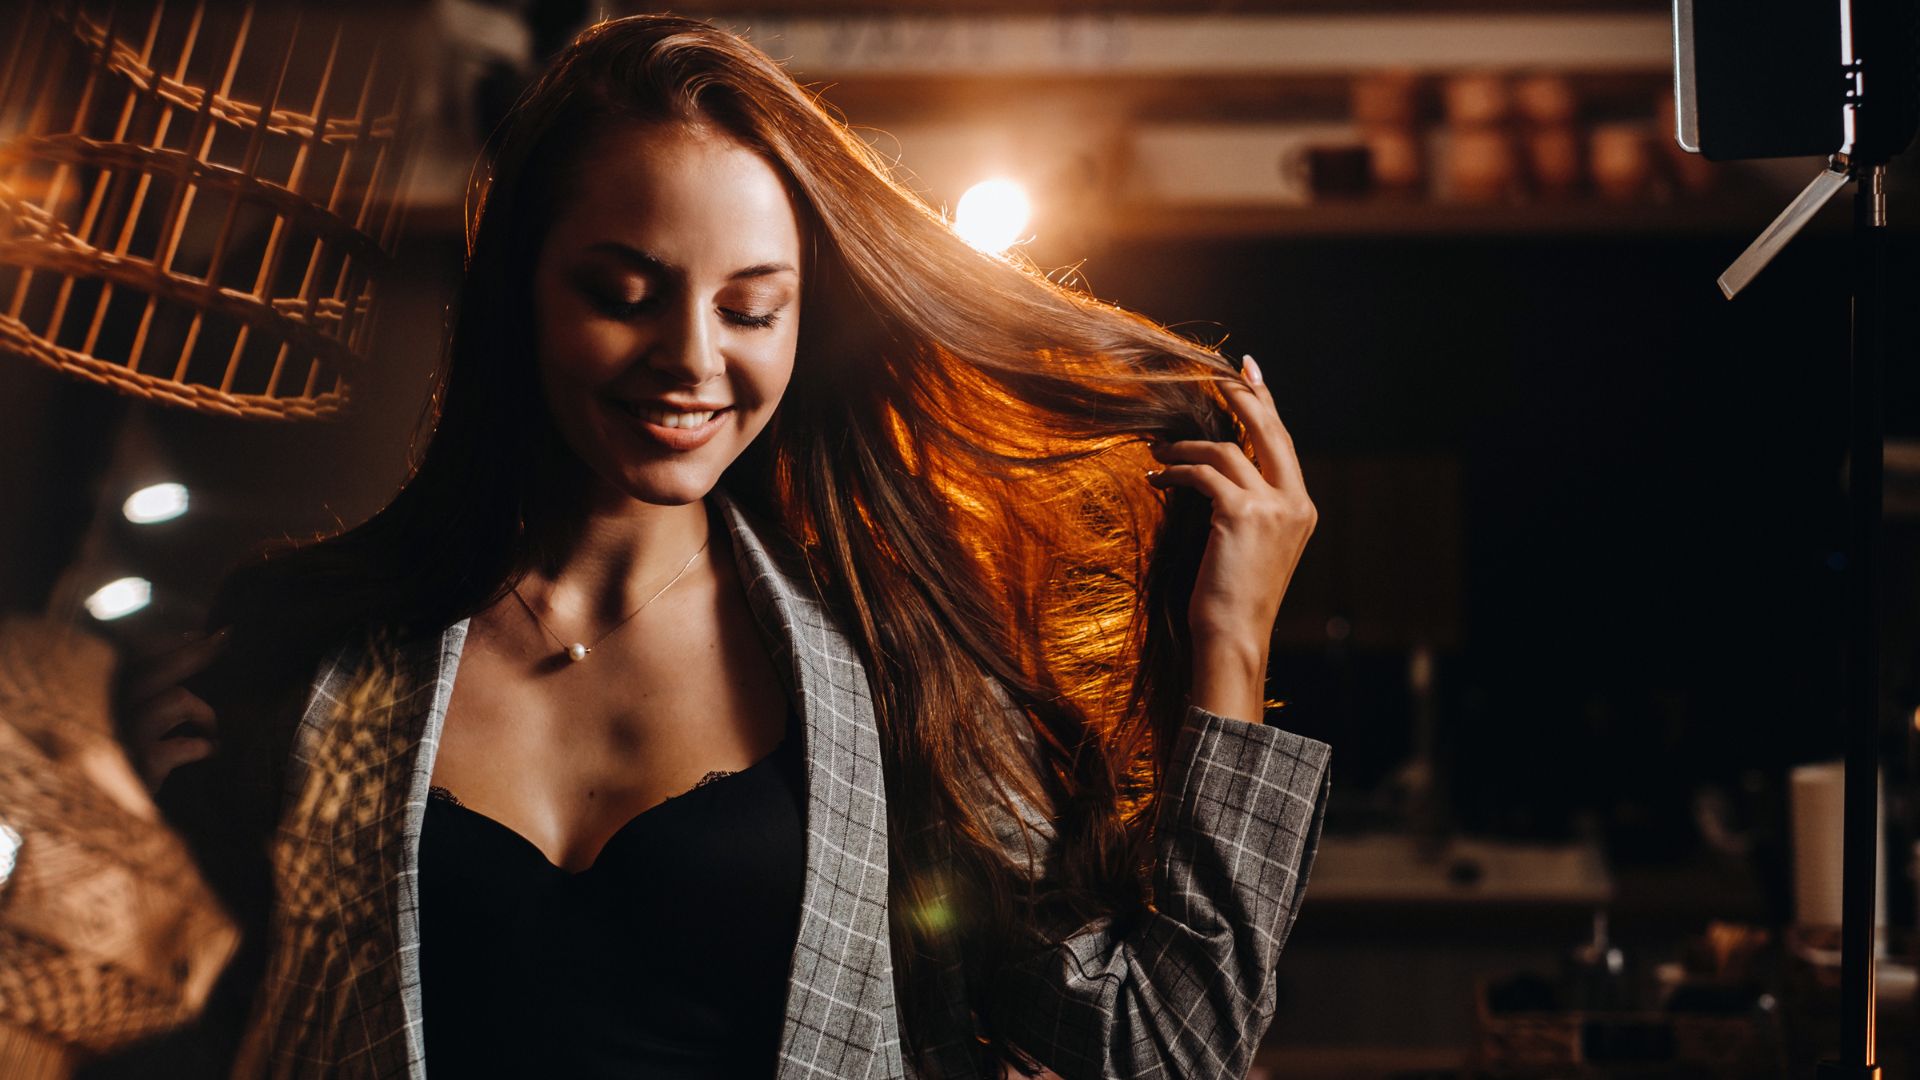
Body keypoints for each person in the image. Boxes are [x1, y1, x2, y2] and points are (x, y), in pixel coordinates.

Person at [137, 14, 1331, 1080]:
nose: (694, 359)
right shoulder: (310, 648)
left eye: (751, 309)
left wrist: (1230, 639)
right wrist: (141, 830)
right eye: (624, 291)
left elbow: (1159, 1051)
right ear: (522, 295)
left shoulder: (900, 676)